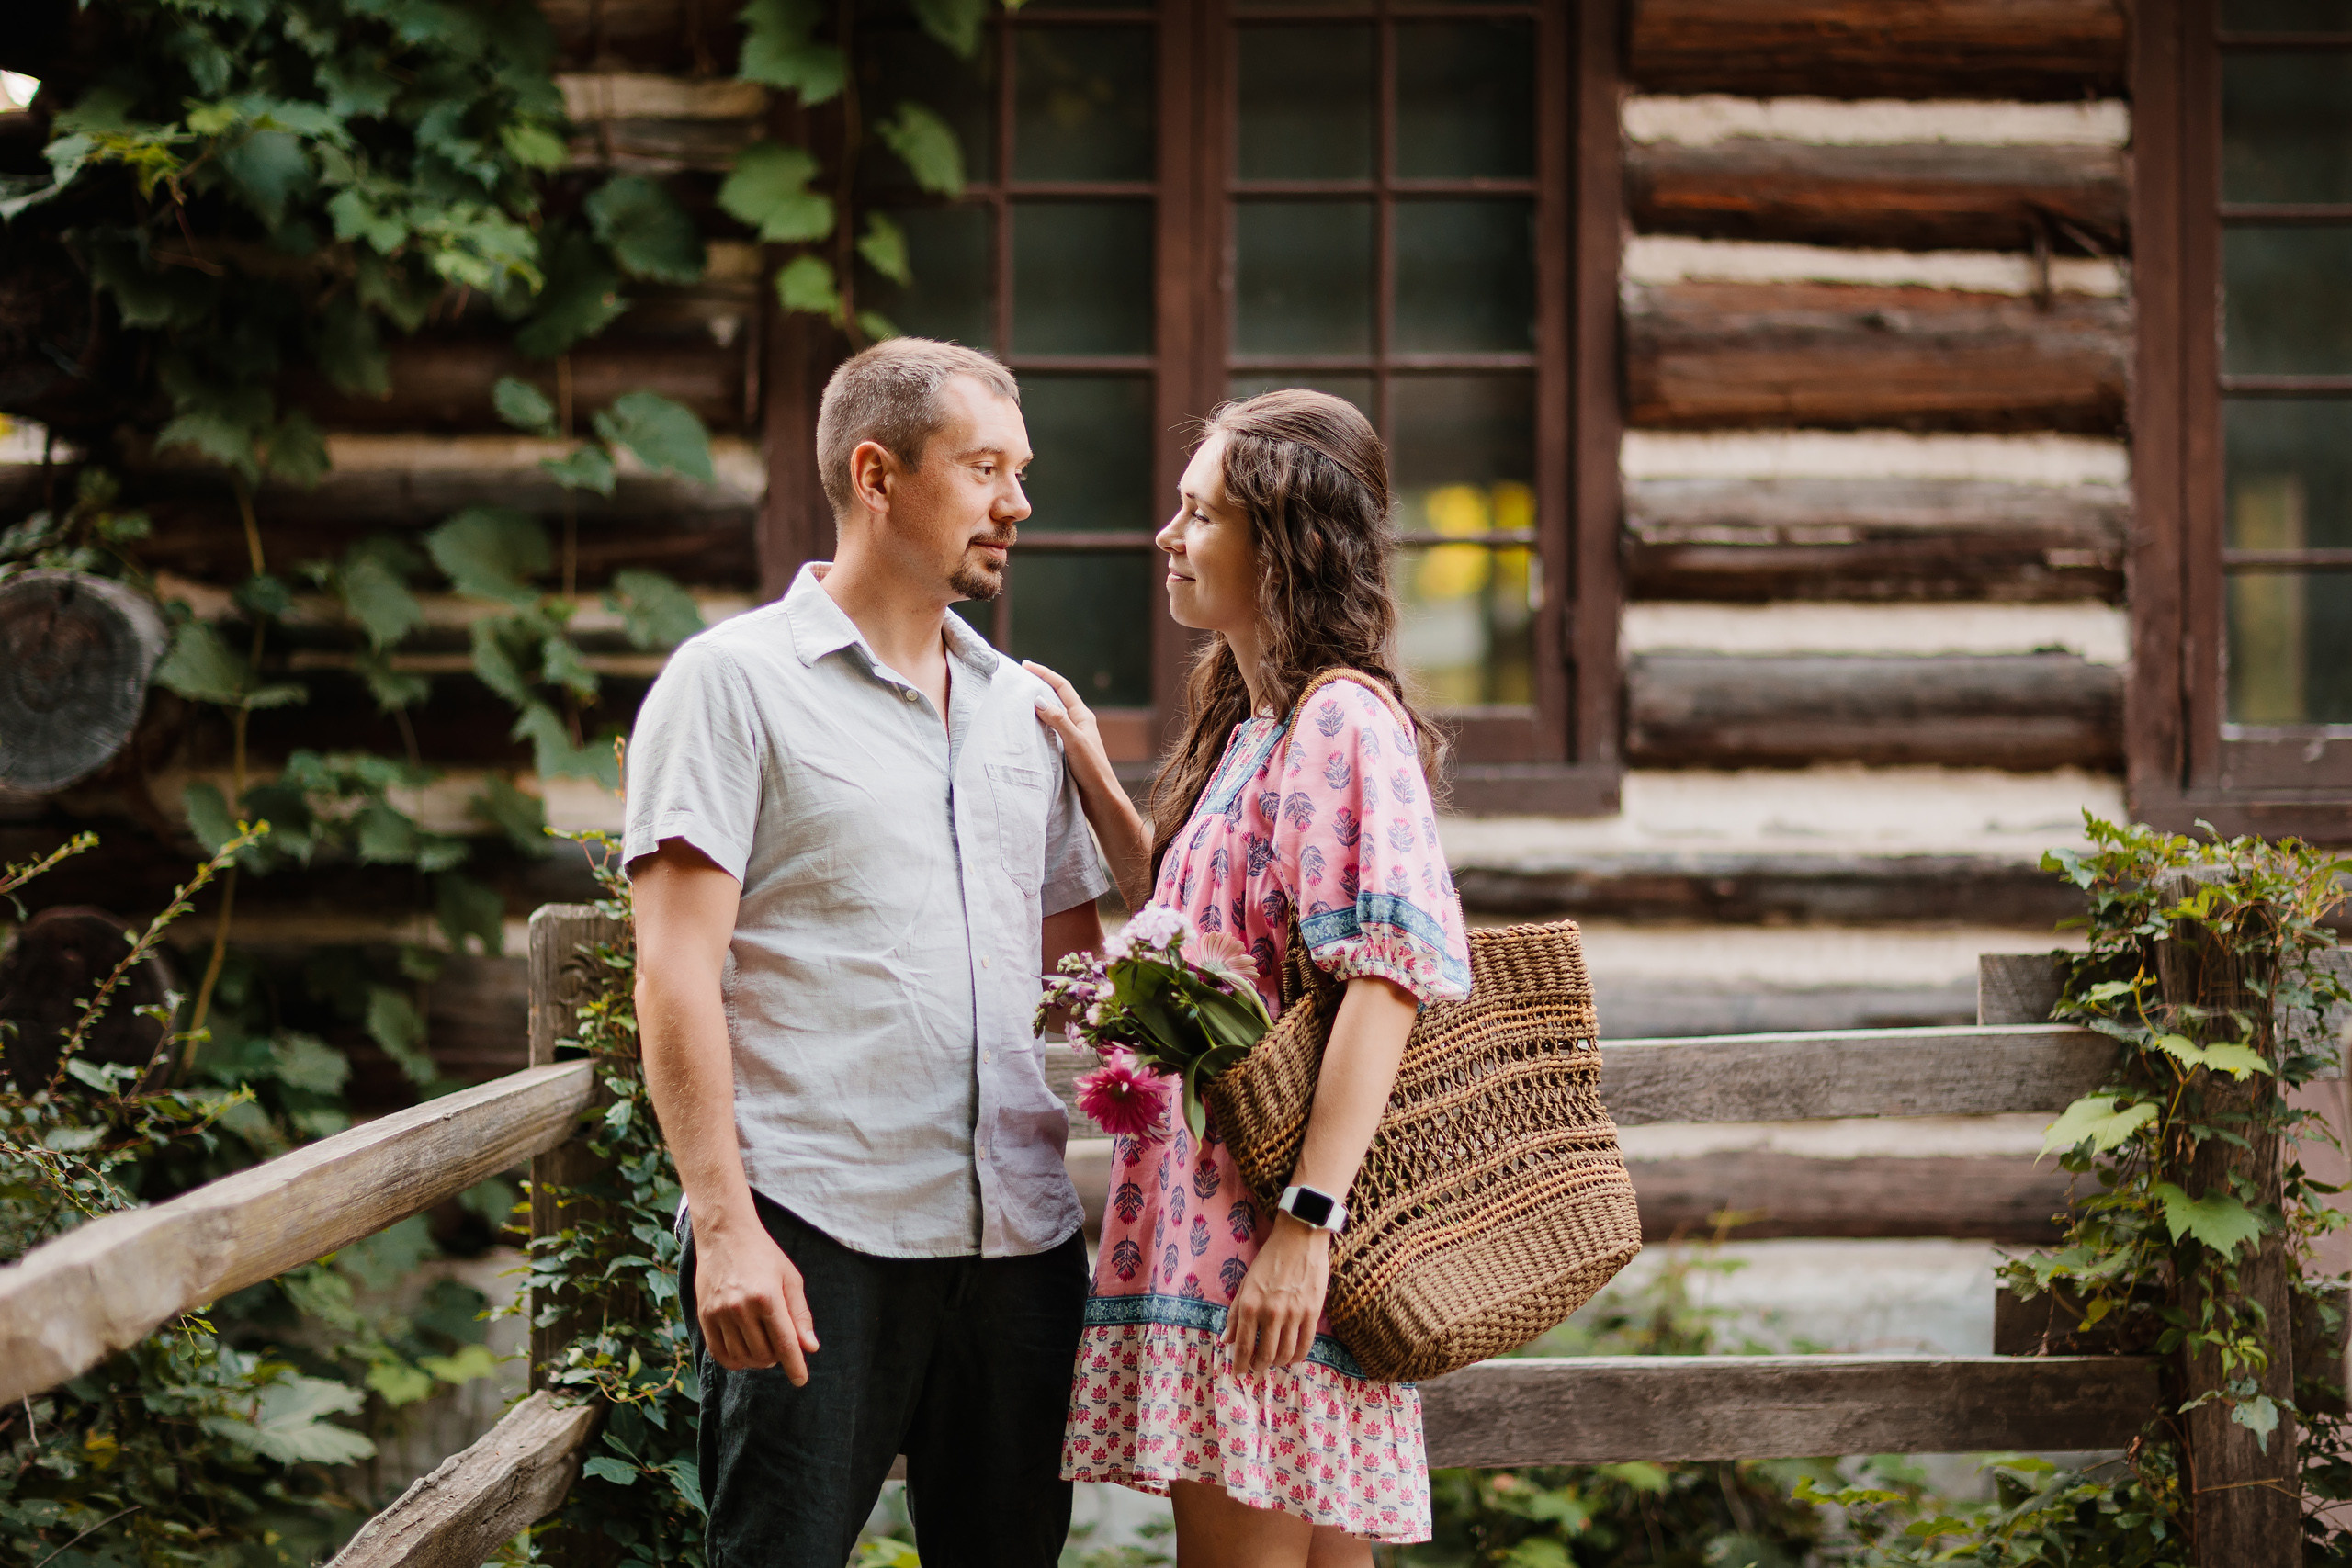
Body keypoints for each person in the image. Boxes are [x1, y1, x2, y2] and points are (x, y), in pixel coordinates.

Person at [625, 337, 1113, 1568]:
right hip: (813, 1230)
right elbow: (674, 970)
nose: (1021, 502)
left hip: (1020, 1243)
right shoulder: (729, 685)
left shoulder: (1024, 711)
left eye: (1023, 469)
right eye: (987, 467)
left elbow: (1084, 983)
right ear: (878, 474)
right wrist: (724, 1224)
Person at [1028, 389, 1474, 1563]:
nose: (1168, 538)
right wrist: (1092, 777)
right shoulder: (1254, 733)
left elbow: (1385, 980)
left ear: (1280, 546)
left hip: (1266, 1228)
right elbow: (1194, 934)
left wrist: (1305, 1230)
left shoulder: (1340, 726)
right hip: (1239, 1220)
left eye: (1197, 513)